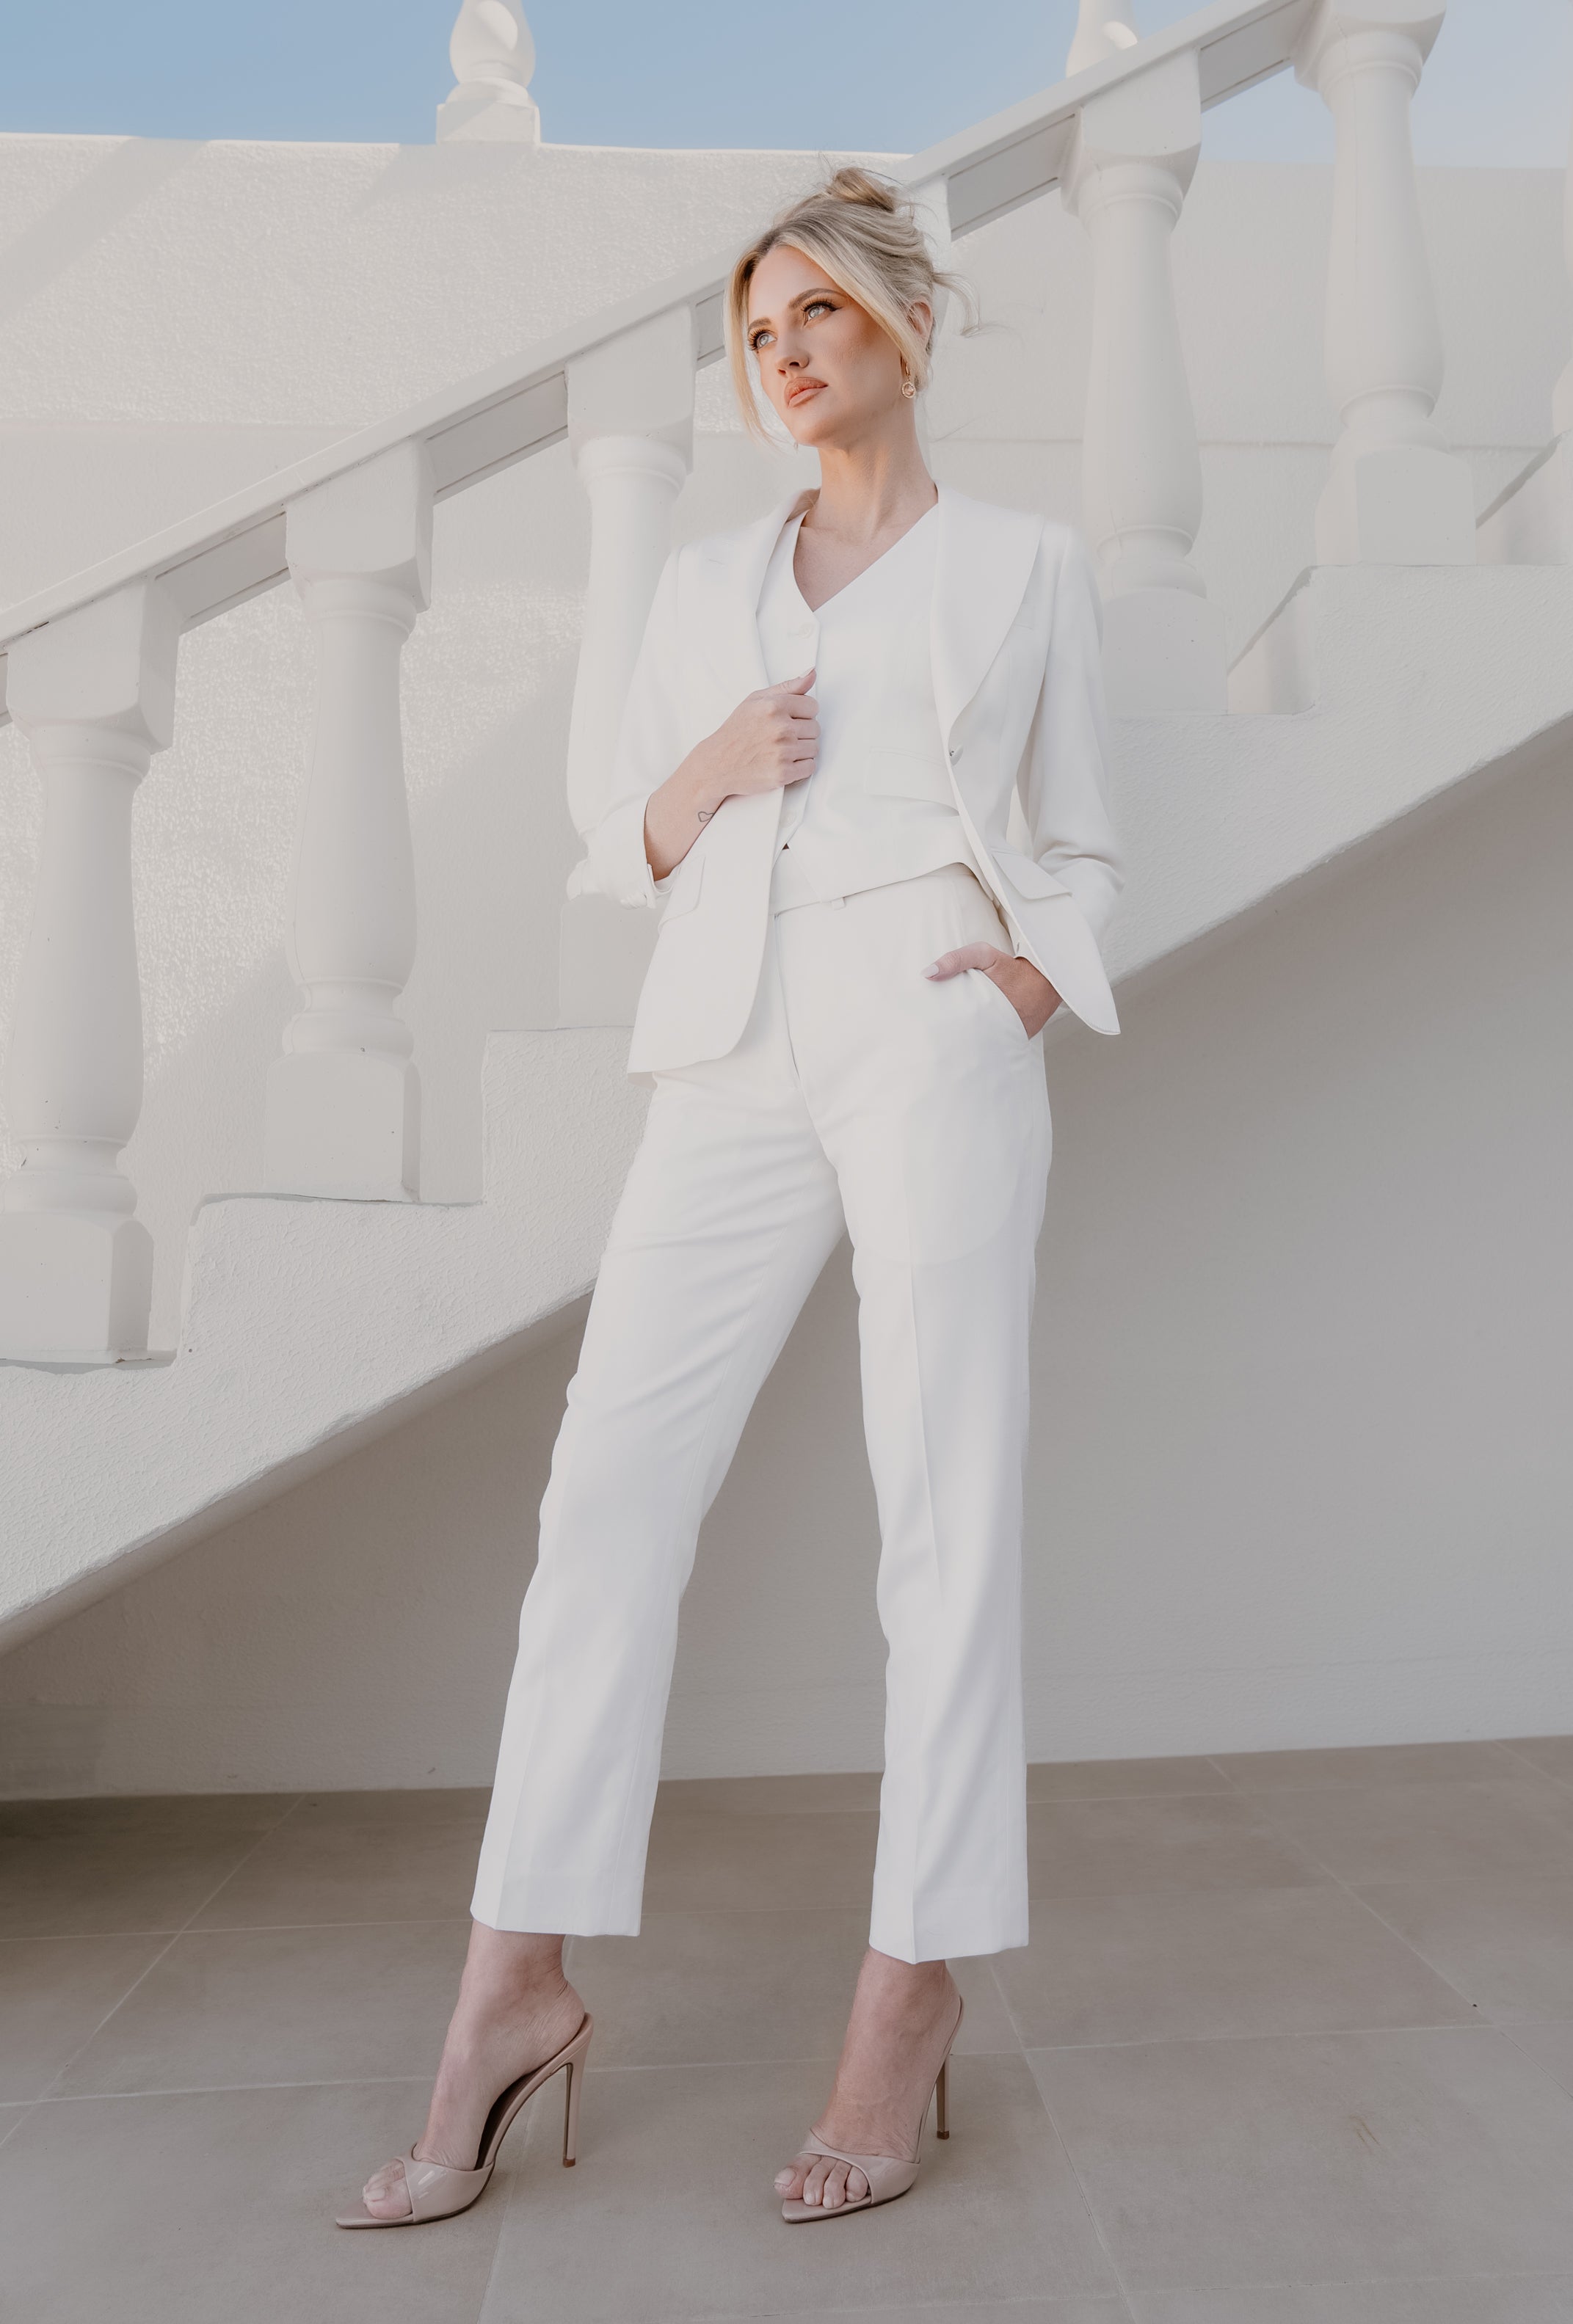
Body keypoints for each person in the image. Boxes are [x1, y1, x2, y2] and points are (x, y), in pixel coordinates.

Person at [338, 163, 1123, 2233]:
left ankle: (912, 1992)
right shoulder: (704, 584)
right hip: (729, 1045)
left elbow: (1092, 841)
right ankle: (511, 1982)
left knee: (940, 1512)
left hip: (929, 1016)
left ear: (903, 333)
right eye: (758, 332)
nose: (783, 358)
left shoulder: (1027, 565)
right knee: (607, 1494)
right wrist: (702, 777)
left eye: (818, 320)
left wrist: (1023, 982)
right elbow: (627, 827)